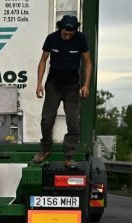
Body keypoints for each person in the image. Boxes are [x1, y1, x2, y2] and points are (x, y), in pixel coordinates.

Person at [33, 14, 92, 168]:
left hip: (72, 85)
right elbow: (43, 60)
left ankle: (69, 156)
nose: (67, 36)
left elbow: (87, 61)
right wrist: (39, 83)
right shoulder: (52, 38)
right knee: (46, 120)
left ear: (75, 31)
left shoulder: (81, 39)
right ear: (61, 28)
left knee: (73, 123)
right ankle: (45, 149)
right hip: (53, 84)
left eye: (70, 34)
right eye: (65, 33)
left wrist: (86, 84)